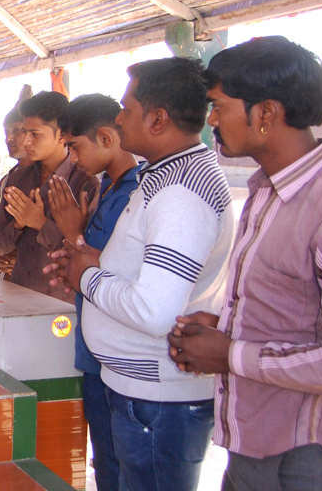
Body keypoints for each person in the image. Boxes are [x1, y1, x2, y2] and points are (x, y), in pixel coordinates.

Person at [168, 37, 322, 491]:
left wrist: (231, 353)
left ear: (266, 113)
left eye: (218, 106)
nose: (210, 120)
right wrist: (227, 327)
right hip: (252, 445)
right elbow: (299, 318)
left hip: (311, 460)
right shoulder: (266, 191)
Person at [46, 57, 234, 491]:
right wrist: (91, 260)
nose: (118, 117)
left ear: (157, 119)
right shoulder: (162, 176)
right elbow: (146, 272)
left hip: (158, 400)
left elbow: (154, 311)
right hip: (140, 391)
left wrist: (87, 277)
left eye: (126, 109)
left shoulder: (181, 193)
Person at [49, 93, 142, 491]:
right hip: (96, 350)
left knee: (123, 466)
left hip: (122, 357)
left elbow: (122, 270)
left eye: (74, 146)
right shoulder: (108, 188)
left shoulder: (137, 193)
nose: (72, 158)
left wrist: (73, 232)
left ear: (106, 138)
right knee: (105, 462)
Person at [0, 91, 99, 302]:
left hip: (61, 302)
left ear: (61, 135)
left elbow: (90, 256)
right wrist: (18, 225)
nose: (26, 141)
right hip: (19, 296)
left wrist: (40, 223)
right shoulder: (17, 181)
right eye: (24, 132)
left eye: (35, 134)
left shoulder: (85, 185)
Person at [0, 102, 31, 278]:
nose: (9, 138)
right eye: (7, 132)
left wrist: (24, 260)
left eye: (17, 130)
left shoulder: (52, 178)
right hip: (10, 280)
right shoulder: (8, 180)